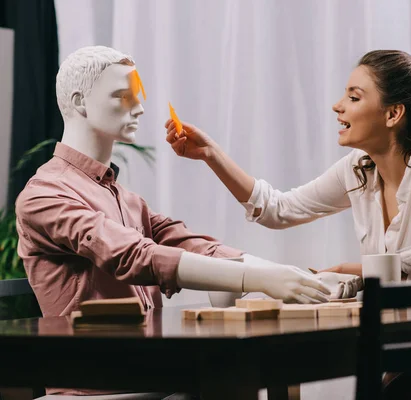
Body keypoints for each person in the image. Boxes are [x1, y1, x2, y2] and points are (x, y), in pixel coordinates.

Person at [165, 49, 411, 397]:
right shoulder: (359, 170)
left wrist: (365, 283)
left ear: (393, 113)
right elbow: (278, 209)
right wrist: (210, 154)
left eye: (353, 96)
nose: (337, 106)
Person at [15, 45, 336, 398]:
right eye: (123, 96)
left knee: (238, 373)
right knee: (234, 376)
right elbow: (134, 256)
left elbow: (192, 245)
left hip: (150, 370)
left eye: (138, 95)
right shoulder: (44, 194)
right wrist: (260, 277)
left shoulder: (124, 198)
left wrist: (299, 277)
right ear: (79, 102)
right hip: (95, 386)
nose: (138, 107)